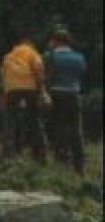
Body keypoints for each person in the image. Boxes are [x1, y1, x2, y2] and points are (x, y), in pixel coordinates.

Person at [44, 29, 87, 173]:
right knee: (76, 129)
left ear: (56, 41)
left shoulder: (51, 56)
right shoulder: (79, 57)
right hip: (74, 93)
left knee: (59, 128)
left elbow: (47, 76)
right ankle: (79, 163)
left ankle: (62, 161)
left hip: (57, 93)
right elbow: (82, 72)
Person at [0, 36, 48, 162]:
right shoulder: (31, 52)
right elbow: (38, 68)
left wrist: (4, 93)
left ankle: (9, 154)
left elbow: (3, 74)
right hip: (29, 87)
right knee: (34, 120)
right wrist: (42, 89)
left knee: (10, 121)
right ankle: (39, 155)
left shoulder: (9, 55)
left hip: (11, 89)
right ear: (30, 44)